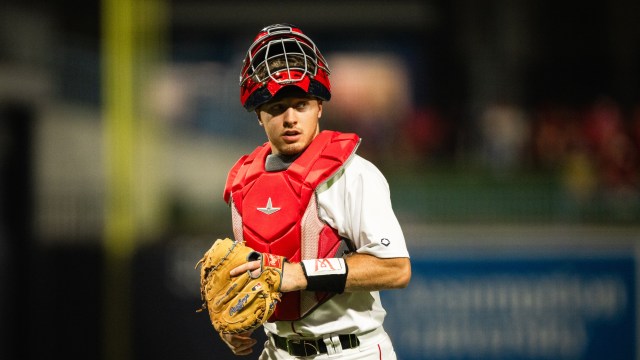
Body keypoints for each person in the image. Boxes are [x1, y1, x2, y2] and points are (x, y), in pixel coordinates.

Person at [220, 23, 411, 359]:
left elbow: (395, 268)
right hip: (278, 351)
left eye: (301, 104)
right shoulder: (243, 183)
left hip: (350, 351)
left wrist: (299, 273)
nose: (290, 118)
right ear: (259, 115)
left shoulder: (353, 174)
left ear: (319, 106)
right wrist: (240, 318)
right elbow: (258, 270)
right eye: (277, 108)